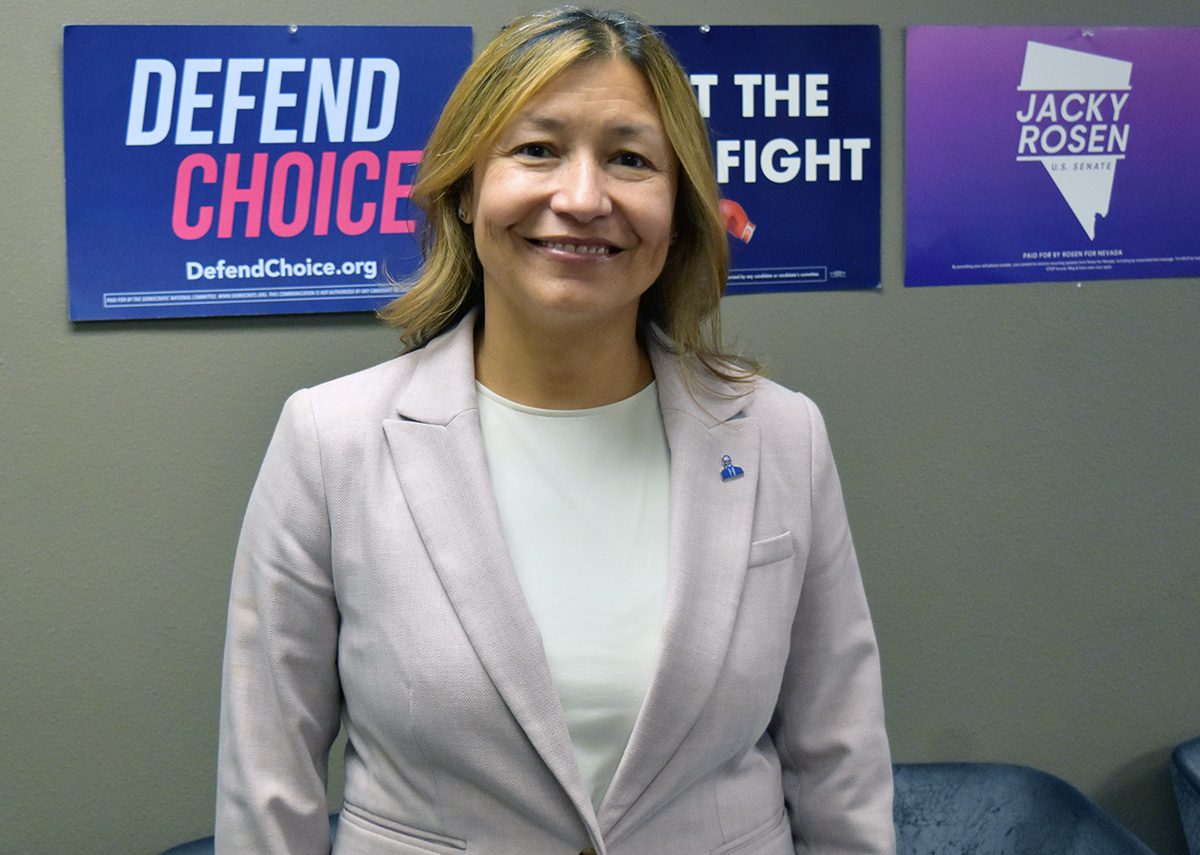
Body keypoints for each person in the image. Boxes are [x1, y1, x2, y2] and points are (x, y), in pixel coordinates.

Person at [216, 7, 893, 854]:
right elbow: (266, 792)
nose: (580, 198)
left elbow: (840, 768)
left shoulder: (782, 437)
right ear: (467, 188)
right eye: (537, 149)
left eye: (630, 159)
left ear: (681, 206)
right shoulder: (330, 443)